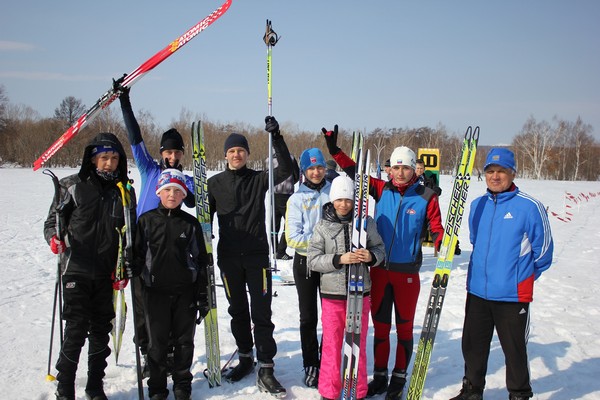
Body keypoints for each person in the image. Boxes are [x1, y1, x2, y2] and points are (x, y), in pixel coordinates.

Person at [322, 126, 444, 400]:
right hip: (378, 271)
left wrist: (442, 243)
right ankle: (379, 375)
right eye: (396, 168)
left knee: (403, 326)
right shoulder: (381, 188)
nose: (400, 173)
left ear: (415, 170)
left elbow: (436, 226)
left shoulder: (426, 196)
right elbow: (356, 173)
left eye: (406, 168)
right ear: (389, 170)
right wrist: (335, 152)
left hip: (406, 274)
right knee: (380, 326)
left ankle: (399, 376)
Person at [449, 148, 554, 400]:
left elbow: (544, 253)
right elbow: (476, 242)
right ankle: (472, 391)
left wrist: (519, 277)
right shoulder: (478, 205)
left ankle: (519, 394)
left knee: (514, 350)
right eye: (490, 171)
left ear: (512, 173)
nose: (495, 176)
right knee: (473, 346)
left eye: (501, 171)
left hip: (512, 295)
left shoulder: (530, 207)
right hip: (477, 291)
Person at [44, 133, 136, 400]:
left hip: (106, 273)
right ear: (93, 159)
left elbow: (130, 235)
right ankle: (65, 388)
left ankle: (95, 386)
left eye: (115, 158)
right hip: (75, 268)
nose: (109, 163)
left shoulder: (124, 192)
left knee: (100, 332)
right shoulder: (71, 185)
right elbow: (52, 222)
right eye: (104, 158)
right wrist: (53, 238)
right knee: (75, 330)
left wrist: (124, 269)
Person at [207, 116, 292, 397]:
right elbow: (202, 215)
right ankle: (245, 357)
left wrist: (277, 137)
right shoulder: (214, 183)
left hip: (257, 257)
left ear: (247, 154)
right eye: (231, 151)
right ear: (225, 155)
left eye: (240, 151)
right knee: (238, 312)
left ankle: (266, 367)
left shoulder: (258, 179)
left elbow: (287, 170)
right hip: (229, 258)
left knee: (262, 313)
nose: (236, 155)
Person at [116, 84, 194, 373]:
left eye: (177, 152)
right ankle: (147, 353)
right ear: (162, 152)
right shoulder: (150, 169)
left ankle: (170, 352)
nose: (172, 157)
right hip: (143, 245)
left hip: (172, 250)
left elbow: (195, 205)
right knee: (143, 304)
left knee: (168, 305)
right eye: (168, 151)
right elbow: (135, 138)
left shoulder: (183, 178)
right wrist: (125, 103)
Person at [133, 169, 209, 400]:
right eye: (167, 190)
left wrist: (202, 294)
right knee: (157, 343)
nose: (172, 195)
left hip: (184, 292)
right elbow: (137, 258)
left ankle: (182, 383)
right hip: (154, 292)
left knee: (184, 341)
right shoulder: (146, 221)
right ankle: (157, 387)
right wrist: (130, 263)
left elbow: (201, 261)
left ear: (184, 195)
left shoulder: (190, 224)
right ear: (159, 192)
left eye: (177, 191)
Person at [307, 176, 385, 400]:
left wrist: (371, 256)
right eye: (339, 200)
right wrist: (340, 259)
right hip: (333, 295)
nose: (344, 204)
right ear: (333, 200)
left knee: (357, 345)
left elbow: (380, 250)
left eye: (348, 200)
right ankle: (329, 392)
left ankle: (358, 391)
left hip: (360, 294)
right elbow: (313, 259)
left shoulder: (366, 223)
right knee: (332, 344)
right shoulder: (323, 226)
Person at [285, 147, 332, 388]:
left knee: (332, 315)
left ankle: (328, 359)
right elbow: (292, 237)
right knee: (308, 317)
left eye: (320, 167)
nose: (316, 172)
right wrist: (322, 242)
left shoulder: (334, 192)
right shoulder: (296, 199)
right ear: (304, 171)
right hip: (305, 262)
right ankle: (310, 362)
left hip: (331, 264)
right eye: (311, 168)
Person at [268, 153, 300, 260]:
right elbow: (296, 174)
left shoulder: (269, 157)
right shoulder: (290, 157)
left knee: (275, 223)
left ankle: (275, 250)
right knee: (289, 223)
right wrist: (290, 182)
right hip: (286, 193)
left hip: (274, 193)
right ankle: (280, 251)